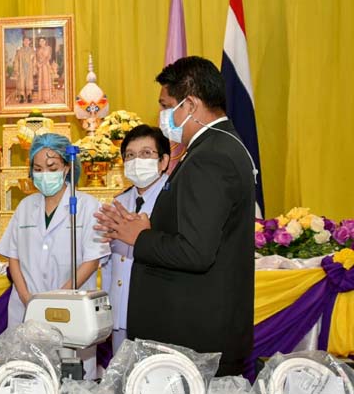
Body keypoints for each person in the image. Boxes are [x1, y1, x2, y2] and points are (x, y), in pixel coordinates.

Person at [95, 56, 256, 376]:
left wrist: (140, 238)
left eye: (167, 106)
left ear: (191, 105)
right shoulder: (217, 146)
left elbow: (196, 252)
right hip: (196, 331)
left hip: (194, 338)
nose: (163, 116)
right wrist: (151, 227)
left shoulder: (210, 157)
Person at [0, 133, 110, 329]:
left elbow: (91, 262)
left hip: (71, 306)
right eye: (38, 169)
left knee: (69, 347)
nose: (44, 175)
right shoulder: (25, 206)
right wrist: (26, 297)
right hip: (26, 306)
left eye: (52, 168)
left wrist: (57, 298)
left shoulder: (87, 206)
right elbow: (13, 257)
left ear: (67, 167)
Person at [100, 125, 170, 353]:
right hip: (121, 310)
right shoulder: (120, 202)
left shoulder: (173, 199)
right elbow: (109, 263)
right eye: (130, 155)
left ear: (163, 161)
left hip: (158, 312)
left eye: (146, 153)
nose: (137, 161)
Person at [12, 35, 35, 103]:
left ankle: (29, 96)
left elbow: (34, 61)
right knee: (21, 83)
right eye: (25, 41)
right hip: (21, 69)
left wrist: (34, 69)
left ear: (29, 42)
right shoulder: (19, 51)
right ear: (23, 42)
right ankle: (22, 96)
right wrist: (16, 69)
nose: (26, 42)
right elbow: (16, 60)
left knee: (29, 83)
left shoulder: (32, 51)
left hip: (29, 69)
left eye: (27, 41)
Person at [35, 37, 53, 103]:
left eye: (42, 41)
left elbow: (49, 57)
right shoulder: (38, 50)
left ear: (45, 42)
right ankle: (41, 97)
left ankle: (46, 98)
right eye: (40, 41)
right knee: (40, 80)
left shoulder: (48, 48)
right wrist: (38, 64)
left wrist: (43, 62)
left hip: (46, 66)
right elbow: (36, 58)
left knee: (46, 81)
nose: (41, 42)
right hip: (40, 67)